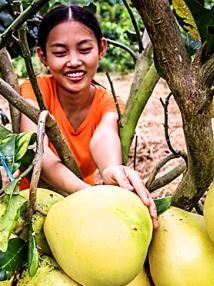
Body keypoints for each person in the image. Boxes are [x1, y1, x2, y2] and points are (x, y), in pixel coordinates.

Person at [19, 4, 158, 228]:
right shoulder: (34, 91)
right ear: (42, 56)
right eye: (60, 53)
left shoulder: (108, 102)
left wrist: (111, 168)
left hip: (83, 215)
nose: (74, 61)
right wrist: (88, 193)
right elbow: (39, 154)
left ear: (101, 48)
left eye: (84, 50)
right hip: (34, 211)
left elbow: (104, 136)